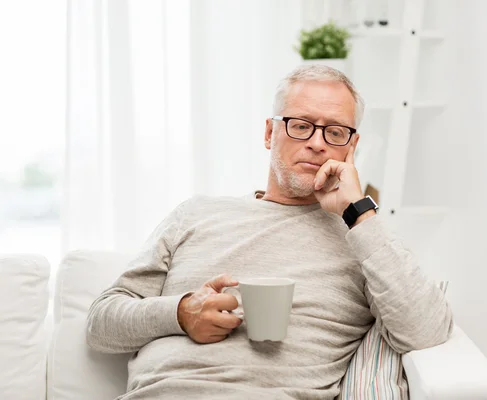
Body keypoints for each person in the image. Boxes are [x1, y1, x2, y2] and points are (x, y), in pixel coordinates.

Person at [87, 65, 453, 400]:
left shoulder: (365, 240)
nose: (317, 142)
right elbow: (102, 323)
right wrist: (180, 313)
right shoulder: (197, 214)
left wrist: (357, 211)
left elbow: (426, 330)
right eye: (300, 125)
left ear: (351, 147)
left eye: (336, 132)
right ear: (269, 132)